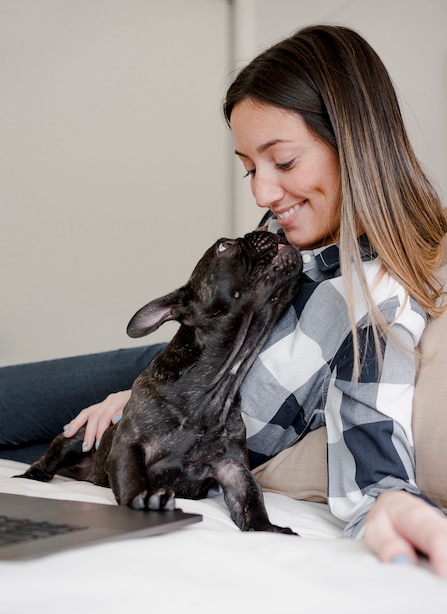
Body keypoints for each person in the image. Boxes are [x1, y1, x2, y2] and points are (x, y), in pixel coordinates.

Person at [1, 24, 447, 575]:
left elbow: (373, 442)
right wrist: (140, 398)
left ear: (354, 144)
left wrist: (394, 508)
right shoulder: (298, 220)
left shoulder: (380, 299)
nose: (262, 193)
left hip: (169, 429)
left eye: (282, 162)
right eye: (249, 168)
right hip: (153, 380)